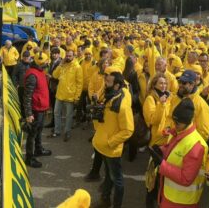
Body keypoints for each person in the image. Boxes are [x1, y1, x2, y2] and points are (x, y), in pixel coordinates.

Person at [92, 71, 134, 208]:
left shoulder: (121, 105)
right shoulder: (109, 98)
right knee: (108, 175)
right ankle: (105, 200)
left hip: (111, 149)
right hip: (103, 146)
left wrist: (110, 142)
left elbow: (128, 130)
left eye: (108, 83)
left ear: (116, 86)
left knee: (117, 180)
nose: (105, 85)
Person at [157, 99, 207, 207]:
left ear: (188, 122)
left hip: (182, 202)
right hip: (169, 196)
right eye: (174, 121)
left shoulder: (196, 146)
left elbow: (186, 178)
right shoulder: (177, 132)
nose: (174, 125)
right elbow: (173, 151)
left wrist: (162, 165)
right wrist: (161, 150)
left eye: (177, 123)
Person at [143, 74, 173, 207]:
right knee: (153, 176)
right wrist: (161, 104)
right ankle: (149, 202)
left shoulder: (169, 98)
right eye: (160, 83)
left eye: (165, 83)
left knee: (163, 176)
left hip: (168, 141)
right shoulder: (150, 99)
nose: (163, 86)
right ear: (154, 84)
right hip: (156, 142)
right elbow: (152, 120)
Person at [22, 58, 52, 168]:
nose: (47, 63)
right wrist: (29, 114)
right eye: (45, 62)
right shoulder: (32, 75)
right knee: (32, 134)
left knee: (39, 130)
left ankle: (38, 149)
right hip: (35, 109)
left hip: (41, 108)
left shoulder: (40, 72)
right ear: (40, 63)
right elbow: (27, 96)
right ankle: (29, 158)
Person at [52, 50, 83, 141]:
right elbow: (54, 75)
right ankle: (57, 131)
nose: (68, 57)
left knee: (69, 115)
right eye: (67, 56)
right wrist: (60, 65)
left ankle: (67, 132)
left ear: (73, 56)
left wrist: (77, 97)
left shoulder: (77, 67)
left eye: (70, 56)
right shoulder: (63, 65)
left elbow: (79, 83)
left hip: (70, 96)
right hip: (60, 94)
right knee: (56, 112)